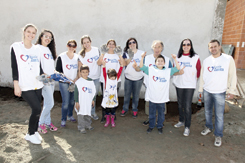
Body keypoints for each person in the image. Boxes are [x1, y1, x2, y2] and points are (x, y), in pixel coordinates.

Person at [198, 39, 237, 147]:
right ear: (209, 49)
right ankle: (208, 127)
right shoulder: (206, 61)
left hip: (220, 92)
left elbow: (232, 75)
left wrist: (232, 90)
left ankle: (218, 135)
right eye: (211, 47)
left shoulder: (228, 59)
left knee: (219, 115)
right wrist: (201, 90)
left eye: (215, 46)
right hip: (207, 91)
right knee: (207, 112)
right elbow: (202, 76)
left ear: (219, 47)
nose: (213, 49)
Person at [11, 24, 44, 144]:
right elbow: (14, 67)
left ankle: (34, 131)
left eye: (33, 33)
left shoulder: (37, 49)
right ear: (24, 32)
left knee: (37, 110)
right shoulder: (16, 47)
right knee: (36, 108)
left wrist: (44, 77)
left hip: (37, 84)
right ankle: (30, 133)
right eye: (28, 32)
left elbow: (38, 66)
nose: (31, 35)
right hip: (25, 85)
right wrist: (16, 84)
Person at [139, 53, 180, 134]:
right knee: (152, 114)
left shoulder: (168, 71)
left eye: (162, 61)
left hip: (162, 98)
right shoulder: (151, 70)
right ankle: (151, 126)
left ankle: (160, 126)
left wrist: (175, 59)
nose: (160, 62)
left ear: (164, 63)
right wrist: (142, 57)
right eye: (158, 61)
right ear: (155, 62)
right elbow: (141, 67)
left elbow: (177, 69)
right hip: (152, 97)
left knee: (161, 115)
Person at [137, 40, 172, 126]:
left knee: (161, 106)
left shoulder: (167, 60)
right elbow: (142, 68)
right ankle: (150, 119)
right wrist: (136, 67)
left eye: (159, 47)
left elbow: (170, 72)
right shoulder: (147, 58)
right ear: (152, 48)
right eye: (155, 47)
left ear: (162, 48)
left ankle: (160, 121)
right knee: (150, 105)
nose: (157, 49)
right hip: (150, 86)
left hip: (161, 88)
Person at [172, 38, 201, 136]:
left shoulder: (195, 57)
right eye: (184, 44)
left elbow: (199, 70)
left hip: (189, 85)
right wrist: (178, 73)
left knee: (187, 106)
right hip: (179, 84)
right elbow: (173, 71)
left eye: (188, 44)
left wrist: (192, 79)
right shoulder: (177, 58)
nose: (186, 46)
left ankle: (187, 127)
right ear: (181, 46)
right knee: (180, 104)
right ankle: (181, 121)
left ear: (191, 46)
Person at [36, 29, 58, 134]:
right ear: (41, 37)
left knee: (47, 102)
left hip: (51, 79)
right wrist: (43, 75)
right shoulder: (37, 48)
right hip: (44, 81)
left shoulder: (48, 50)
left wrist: (56, 73)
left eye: (50, 37)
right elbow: (37, 65)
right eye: (46, 36)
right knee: (50, 103)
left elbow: (50, 66)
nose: (48, 39)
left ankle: (48, 122)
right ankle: (40, 124)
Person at [97, 39, 125, 123]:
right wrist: (102, 54)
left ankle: (113, 114)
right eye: (109, 44)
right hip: (105, 80)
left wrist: (120, 55)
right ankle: (104, 116)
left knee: (114, 97)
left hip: (115, 80)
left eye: (113, 44)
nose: (111, 46)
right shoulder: (104, 54)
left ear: (115, 46)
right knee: (105, 98)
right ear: (107, 45)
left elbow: (123, 63)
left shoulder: (117, 55)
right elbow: (98, 63)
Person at [56, 40, 79, 127]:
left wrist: (76, 78)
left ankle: (70, 115)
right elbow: (58, 71)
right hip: (64, 82)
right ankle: (63, 119)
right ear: (67, 45)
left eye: (73, 46)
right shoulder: (61, 57)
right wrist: (67, 78)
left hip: (74, 82)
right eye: (70, 45)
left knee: (72, 101)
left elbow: (79, 69)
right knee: (65, 102)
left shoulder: (77, 57)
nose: (71, 47)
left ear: (75, 47)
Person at [120, 38, 144, 118]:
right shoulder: (125, 53)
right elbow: (123, 64)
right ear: (128, 45)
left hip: (138, 78)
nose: (132, 44)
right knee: (126, 95)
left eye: (133, 42)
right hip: (128, 78)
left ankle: (134, 110)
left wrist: (138, 68)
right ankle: (125, 109)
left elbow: (143, 66)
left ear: (136, 43)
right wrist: (129, 58)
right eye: (130, 43)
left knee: (136, 96)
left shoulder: (142, 53)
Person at [78, 35, 100, 121]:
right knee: (86, 97)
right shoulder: (81, 54)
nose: (86, 44)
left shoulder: (96, 50)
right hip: (87, 79)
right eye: (84, 43)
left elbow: (99, 62)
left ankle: (93, 112)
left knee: (93, 96)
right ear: (82, 44)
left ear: (90, 42)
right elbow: (80, 68)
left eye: (88, 42)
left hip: (96, 77)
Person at [101, 57, 123, 127]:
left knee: (113, 110)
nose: (113, 78)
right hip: (107, 98)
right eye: (111, 76)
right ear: (108, 76)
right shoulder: (107, 80)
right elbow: (104, 73)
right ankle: (107, 121)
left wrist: (121, 65)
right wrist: (104, 65)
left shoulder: (116, 80)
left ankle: (112, 121)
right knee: (107, 110)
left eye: (114, 76)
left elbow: (119, 72)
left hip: (113, 98)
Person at [74, 65, 96, 134]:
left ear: (88, 72)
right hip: (81, 101)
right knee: (81, 114)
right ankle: (81, 127)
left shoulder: (91, 81)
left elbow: (94, 91)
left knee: (87, 113)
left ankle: (87, 125)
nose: (85, 73)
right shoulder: (78, 82)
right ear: (80, 72)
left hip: (88, 101)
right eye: (83, 72)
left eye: (86, 72)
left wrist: (93, 99)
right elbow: (76, 92)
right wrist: (77, 102)